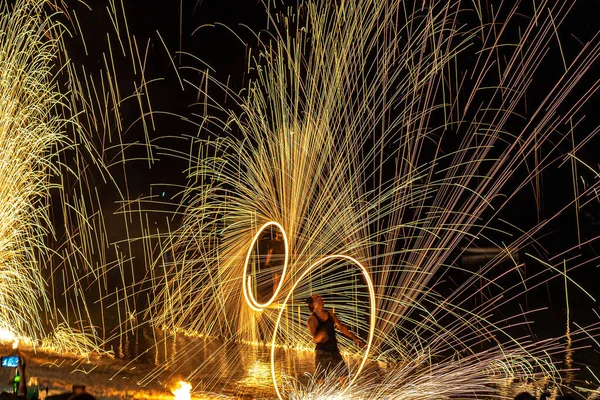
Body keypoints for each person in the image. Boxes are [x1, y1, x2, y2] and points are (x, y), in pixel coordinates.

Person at [305, 294, 365, 382]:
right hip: (322, 353)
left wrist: (354, 338)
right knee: (321, 381)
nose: (321, 298)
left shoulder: (330, 314)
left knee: (344, 377)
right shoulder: (311, 320)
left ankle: (347, 395)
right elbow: (315, 339)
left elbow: (341, 327)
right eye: (318, 298)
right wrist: (320, 335)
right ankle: (321, 395)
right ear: (313, 304)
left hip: (334, 351)